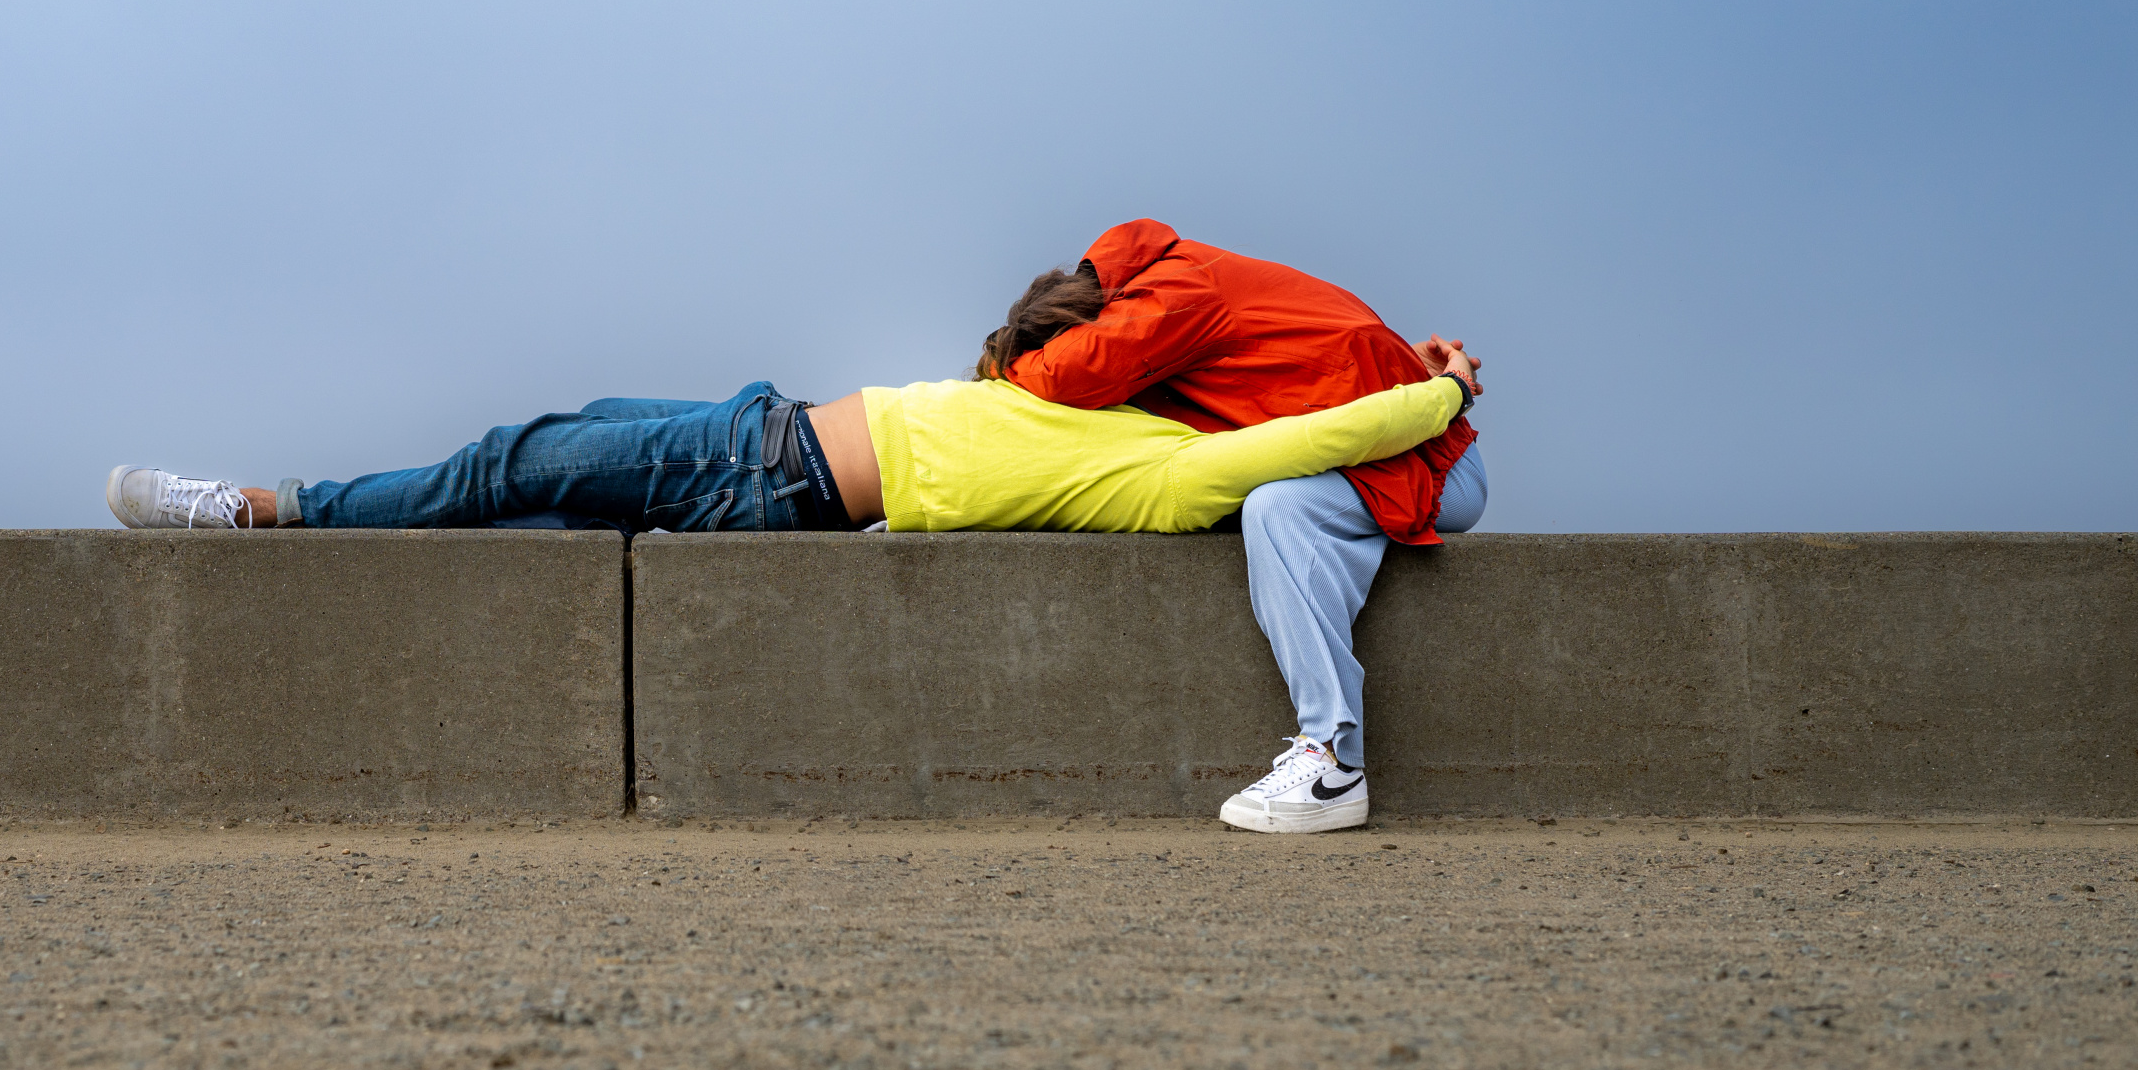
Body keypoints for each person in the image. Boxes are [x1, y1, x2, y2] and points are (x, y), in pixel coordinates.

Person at [982, 219, 1485, 836]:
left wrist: (1000, 362)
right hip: (1406, 451)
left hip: (1434, 470)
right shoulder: (1176, 277)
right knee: (1251, 499)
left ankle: (1334, 764)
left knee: (1277, 508)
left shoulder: (1174, 295)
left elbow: (1067, 375)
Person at [106, 351, 1475, 541]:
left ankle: (264, 509)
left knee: (508, 461)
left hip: (767, 473)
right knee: (561, 450)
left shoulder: (1174, 476)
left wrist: (1431, 397)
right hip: (770, 428)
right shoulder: (1122, 411)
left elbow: (1330, 425)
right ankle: (305, 509)